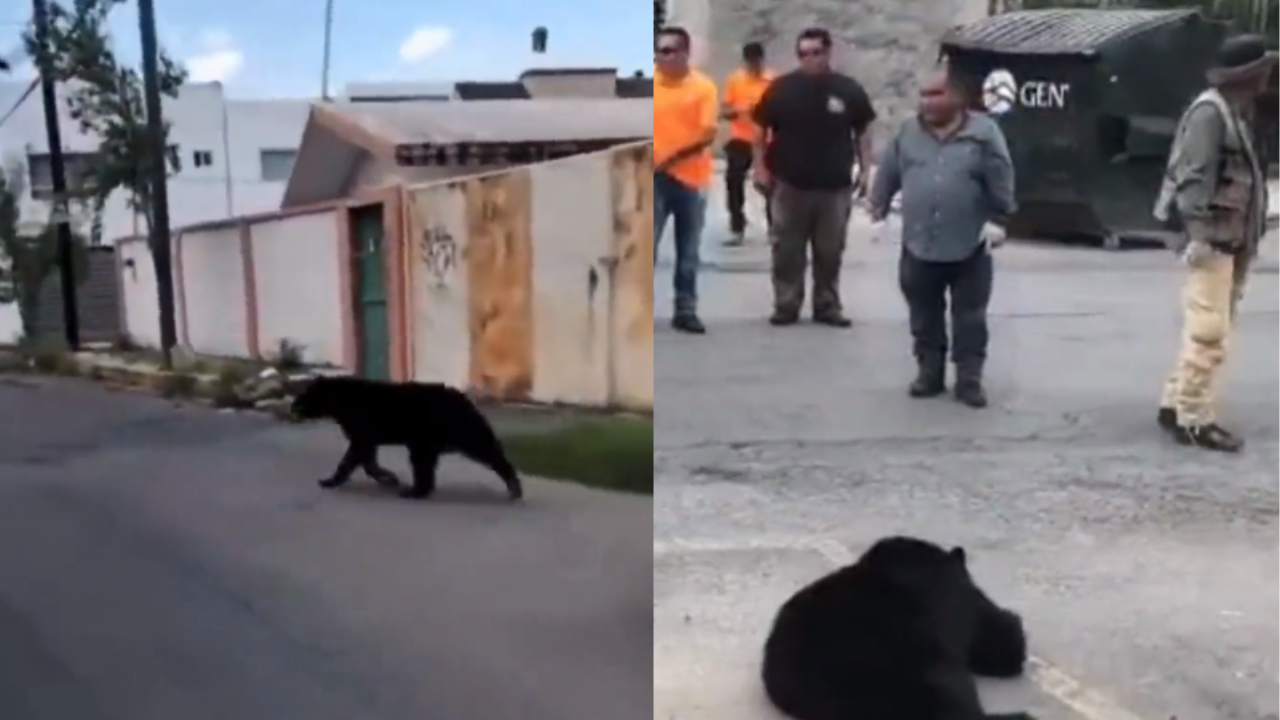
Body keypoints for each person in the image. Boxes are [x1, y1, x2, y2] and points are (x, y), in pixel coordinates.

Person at [1153, 34, 1275, 452]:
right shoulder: (1211, 114)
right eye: (1264, 69)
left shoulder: (1232, 111)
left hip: (1231, 237)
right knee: (1210, 332)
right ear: (1249, 75)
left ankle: (1175, 402)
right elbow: (1193, 180)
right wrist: (1199, 237)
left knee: (1205, 327)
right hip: (1214, 240)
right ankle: (1193, 417)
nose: (1269, 76)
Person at [868, 65, 1015, 409]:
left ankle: (969, 379)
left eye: (936, 94)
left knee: (970, 317)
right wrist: (879, 213)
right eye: (923, 95)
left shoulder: (984, 133)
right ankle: (929, 373)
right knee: (923, 314)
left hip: (970, 244)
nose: (928, 102)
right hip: (919, 243)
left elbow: (1001, 176)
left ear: (958, 97)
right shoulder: (908, 133)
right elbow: (888, 173)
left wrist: (999, 218)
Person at [751, 27, 876, 328]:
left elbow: (864, 130)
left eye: (816, 53)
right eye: (803, 54)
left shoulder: (848, 90)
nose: (810, 59)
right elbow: (759, 131)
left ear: (828, 52)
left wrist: (866, 169)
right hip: (789, 184)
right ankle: (786, 303)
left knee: (830, 251)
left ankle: (827, 305)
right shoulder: (781, 88)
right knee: (787, 250)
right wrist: (760, 168)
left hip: (834, 186)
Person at [654, 25, 718, 336]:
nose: (662, 57)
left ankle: (686, 309)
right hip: (653, 180)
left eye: (669, 50)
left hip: (691, 180)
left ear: (684, 53)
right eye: (659, 50)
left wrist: (672, 158)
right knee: (645, 250)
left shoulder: (702, 88)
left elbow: (707, 133)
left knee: (688, 251)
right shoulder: (649, 86)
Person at [721, 41, 774, 247]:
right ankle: (737, 227)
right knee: (733, 182)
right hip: (741, 137)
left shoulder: (772, 80)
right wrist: (739, 111)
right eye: (750, 62)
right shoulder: (736, 80)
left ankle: (774, 227)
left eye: (757, 61)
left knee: (771, 185)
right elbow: (725, 110)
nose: (754, 65)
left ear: (762, 60)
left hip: (768, 139)